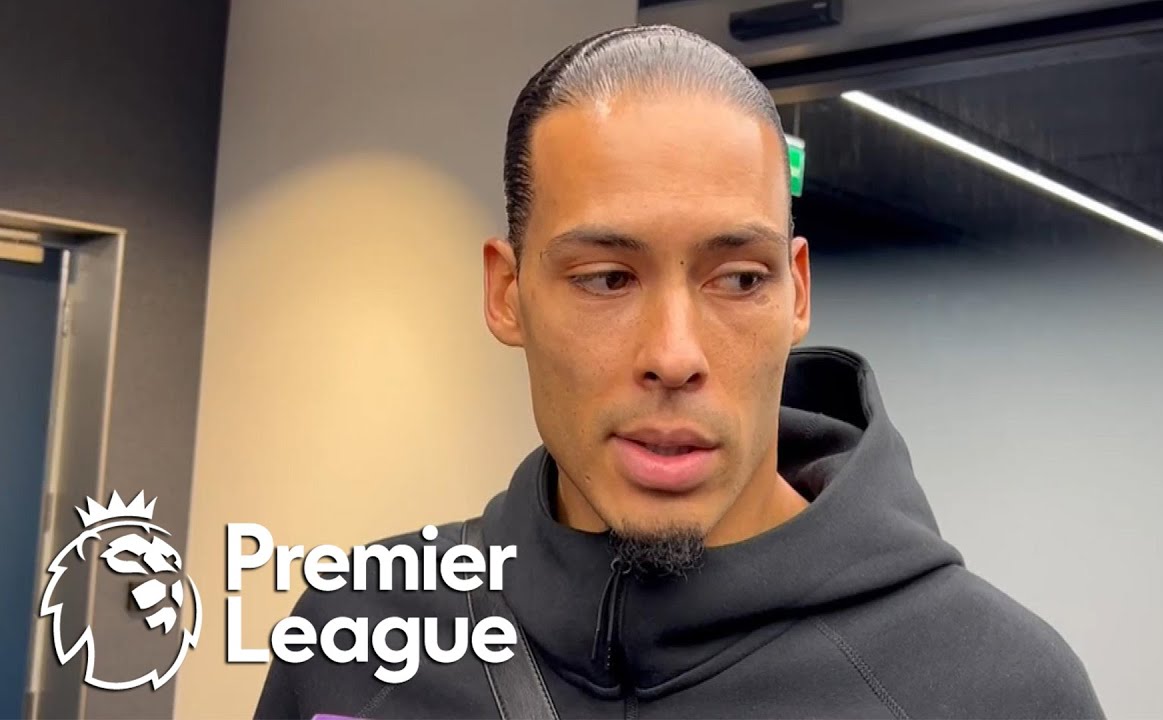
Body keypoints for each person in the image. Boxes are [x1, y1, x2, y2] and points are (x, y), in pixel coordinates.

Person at [254, 24, 1104, 719]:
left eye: (738, 280)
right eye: (606, 279)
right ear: (507, 294)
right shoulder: (359, 635)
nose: (673, 355)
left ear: (797, 293)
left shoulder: (1000, 689)